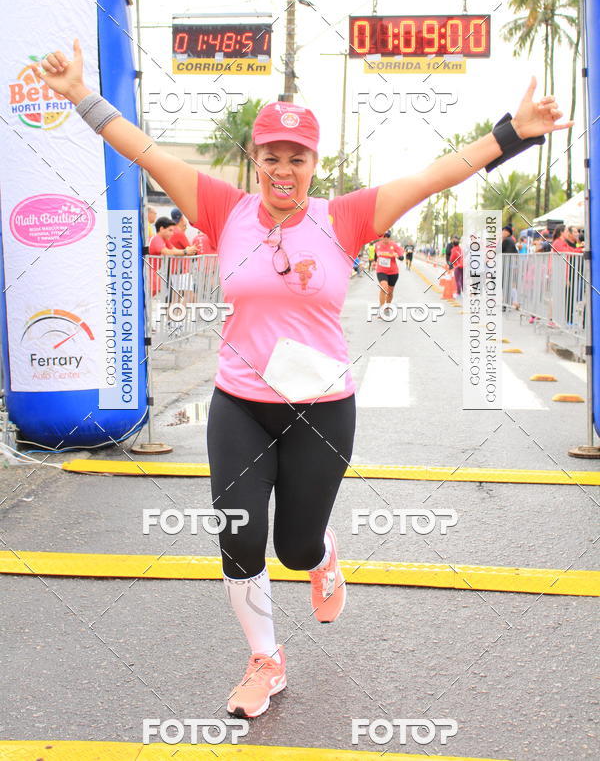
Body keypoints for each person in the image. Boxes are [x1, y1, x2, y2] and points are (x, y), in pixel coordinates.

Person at [37, 40, 570, 720]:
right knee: (237, 533)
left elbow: (436, 175)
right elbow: (143, 150)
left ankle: (322, 556)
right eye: (271, 156)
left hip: (322, 408)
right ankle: (265, 659)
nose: (282, 170)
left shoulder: (342, 217)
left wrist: (512, 132)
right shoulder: (221, 208)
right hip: (239, 403)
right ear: (254, 161)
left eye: (297, 158)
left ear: (315, 165)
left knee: (293, 548)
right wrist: (82, 94)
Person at [374, 231, 404, 315]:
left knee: (390, 292)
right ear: (381, 236)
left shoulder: (393, 245)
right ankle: (381, 308)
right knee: (384, 287)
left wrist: (399, 256)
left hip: (393, 272)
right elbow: (376, 255)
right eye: (384, 236)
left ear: (389, 237)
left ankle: (387, 307)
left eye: (388, 236)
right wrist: (374, 261)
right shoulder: (377, 245)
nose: (386, 238)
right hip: (381, 271)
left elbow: (401, 256)